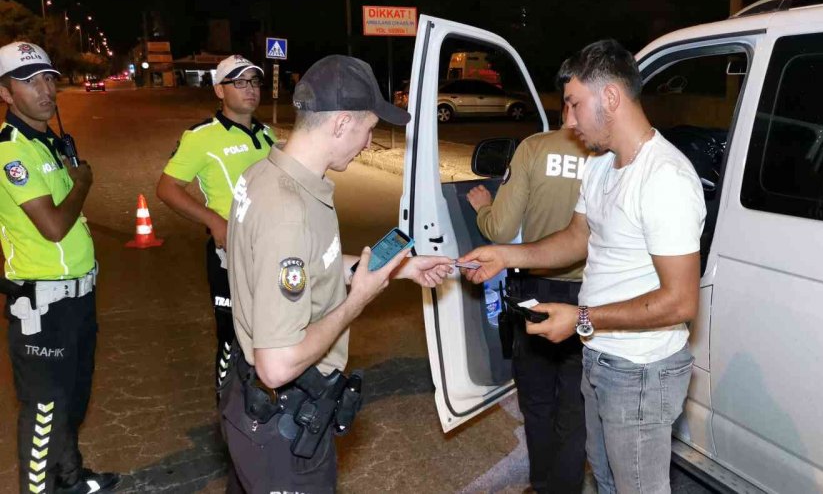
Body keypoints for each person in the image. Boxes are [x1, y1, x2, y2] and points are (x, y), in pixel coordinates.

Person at [460, 39, 706, 493]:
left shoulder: (665, 179)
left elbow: (680, 301)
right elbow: (577, 239)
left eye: (574, 105)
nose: (569, 121)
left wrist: (582, 318)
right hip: (601, 356)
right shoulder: (601, 166)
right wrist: (505, 255)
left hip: (640, 371)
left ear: (610, 97)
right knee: (605, 478)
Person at [221, 55, 454, 492]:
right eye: (369, 129)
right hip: (282, 430)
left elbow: (311, 263)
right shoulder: (289, 211)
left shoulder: (262, 174)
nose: (368, 142)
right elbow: (276, 365)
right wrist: (357, 301)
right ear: (342, 123)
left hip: (251, 409)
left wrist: (398, 268)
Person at [0, 41, 119, 493]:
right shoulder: (11, 151)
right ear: (6, 94)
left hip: (77, 298)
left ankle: (69, 479)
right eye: (29, 82)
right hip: (41, 305)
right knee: (45, 408)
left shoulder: (49, 143)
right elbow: (52, 226)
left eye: (48, 77)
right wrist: (83, 181)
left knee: (71, 400)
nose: (45, 89)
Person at [465, 114, 589, 493]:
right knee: (575, 400)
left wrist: (483, 208)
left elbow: (501, 230)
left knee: (536, 398)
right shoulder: (607, 149)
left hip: (536, 290)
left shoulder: (534, 148)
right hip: (590, 295)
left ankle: (541, 482)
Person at [156, 55, 274, 395]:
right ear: (219, 90)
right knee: (230, 335)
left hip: (271, 249)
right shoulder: (200, 137)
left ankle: (266, 403)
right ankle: (227, 404)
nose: (250, 89)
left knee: (271, 329)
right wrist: (213, 220)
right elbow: (167, 188)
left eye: (254, 81)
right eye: (239, 82)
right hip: (230, 252)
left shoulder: (267, 134)